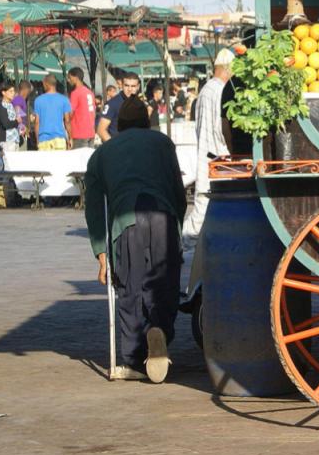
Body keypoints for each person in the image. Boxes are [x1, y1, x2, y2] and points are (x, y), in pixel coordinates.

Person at [84, 97, 187, 382]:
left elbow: (93, 207)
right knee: (165, 286)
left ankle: (131, 357)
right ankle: (160, 331)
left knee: (129, 288)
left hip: (125, 223)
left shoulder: (102, 154)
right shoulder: (163, 144)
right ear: (146, 121)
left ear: (118, 124)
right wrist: (176, 226)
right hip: (163, 215)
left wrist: (101, 252)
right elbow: (178, 191)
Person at [181, 50, 233, 269]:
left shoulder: (206, 90)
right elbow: (221, 128)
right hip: (215, 155)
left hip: (209, 154)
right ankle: (180, 245)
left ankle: (182, 245)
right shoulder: (218, 90)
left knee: (203, 207)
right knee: (203, 209)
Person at [33, 74, 72, 151]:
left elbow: (37, 122)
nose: (43, 86)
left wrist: (37, 139)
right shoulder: (64, 99)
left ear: (46, 84)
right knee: (59, 163)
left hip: (43, 139)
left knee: (45, 163)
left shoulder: (38, 100)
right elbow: (67, 121)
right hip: (59, 138)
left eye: (43, 84)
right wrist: (70, 138)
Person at [97, 73, 141, 142]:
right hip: (119, 148)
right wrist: (115, 146)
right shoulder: (113, 104)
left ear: (138, 87)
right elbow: (101, 130)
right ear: (122, 86)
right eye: (127, 85)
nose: (129, 89)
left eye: (133, 86)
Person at [67, 67, 97, 148]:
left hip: (79, 133)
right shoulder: (89, 92)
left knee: (79, 160)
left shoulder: (75, 93)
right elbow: (93, 113)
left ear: (75, 78)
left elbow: (70, 113)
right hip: (91, 132)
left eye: (69, 78)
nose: (68, 80)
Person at [0, 81, 20, 152]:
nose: (13, 93)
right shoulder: (1, 106)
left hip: (15, 139)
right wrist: (17, 121)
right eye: (10, 91)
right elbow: (6, 124)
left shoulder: (11, 105)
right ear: (3, 92)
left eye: (13, 91)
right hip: (7, 141)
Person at [12, 81, 31, 148]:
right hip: (18, 134)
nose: (28, 94)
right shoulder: (19, 98)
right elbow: (17, 112)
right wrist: (22, 129)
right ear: (25, 90)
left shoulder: (17, 98)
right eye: (28, 92)